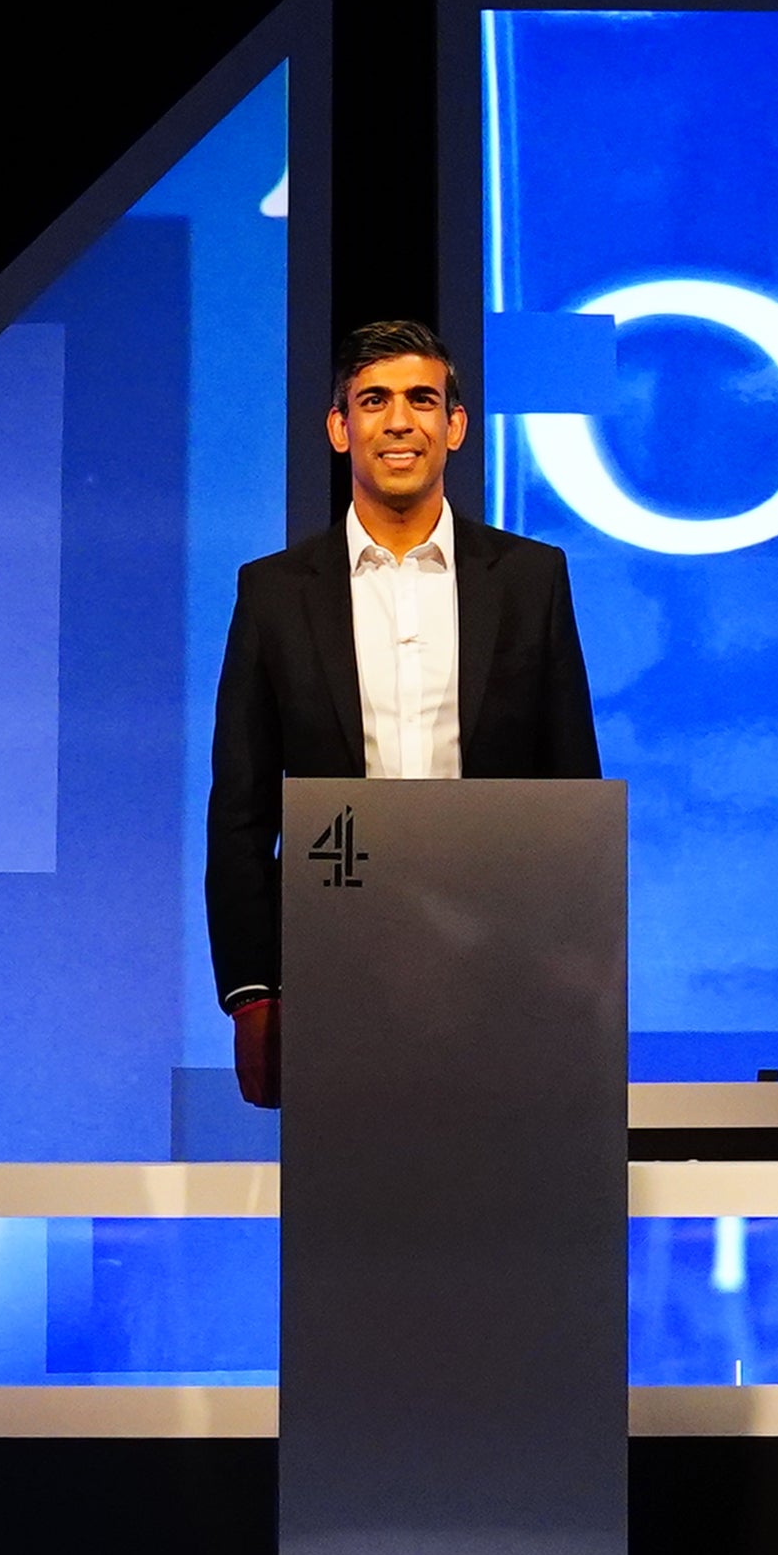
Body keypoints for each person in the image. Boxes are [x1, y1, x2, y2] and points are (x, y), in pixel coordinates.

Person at [206, 320, 603, 1107]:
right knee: (353, 1212)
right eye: (373, 400)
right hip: (334, 958)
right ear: (338, 425)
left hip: (509, 959)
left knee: (499, 1202)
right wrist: (252, 992)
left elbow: (572, 794)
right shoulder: (275, 592)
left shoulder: (530, 579)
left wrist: (580, 968)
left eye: (422, 399)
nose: (398, 421)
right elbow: (241, 811)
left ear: (453, 426)